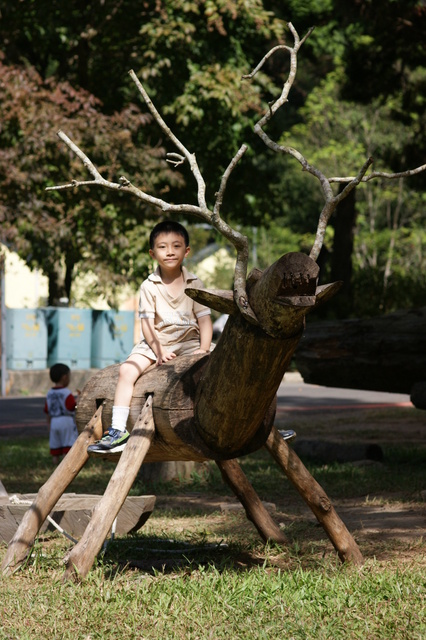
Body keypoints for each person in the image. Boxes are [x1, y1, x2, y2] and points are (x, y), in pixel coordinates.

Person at [88, 219, 213, 454]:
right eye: (163, 247)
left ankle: (262, 424)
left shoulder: (195, 282)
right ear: (152, 253)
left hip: (190, 342)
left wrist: (204, 349)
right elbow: (146, 324)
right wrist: (159, 351)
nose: (170, 252)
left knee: (230, 363)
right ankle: (117, 431)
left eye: (176, 246)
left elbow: (205, 319)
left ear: (187, 251)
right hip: (156, 341)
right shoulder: (149, 285)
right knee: (127, 371)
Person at [44, 363, 79, 464]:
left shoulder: (49, 393)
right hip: (66, 420)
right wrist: (79, 399)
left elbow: (47, 410)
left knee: (56, 445)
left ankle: (55, 462)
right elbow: (71, 407)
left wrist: (48, 424)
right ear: (65, 377)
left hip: (54, 421)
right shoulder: (66, 393)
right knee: (67, 444)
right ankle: (65, 464)